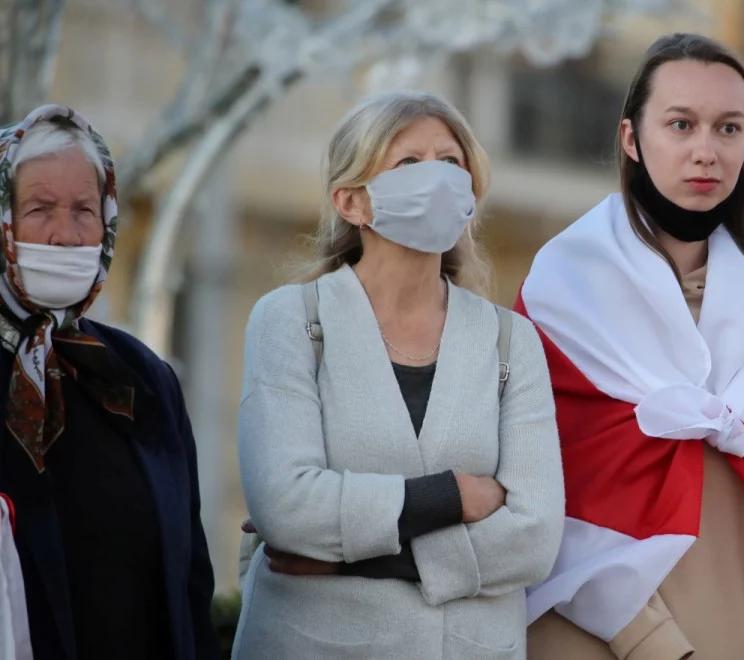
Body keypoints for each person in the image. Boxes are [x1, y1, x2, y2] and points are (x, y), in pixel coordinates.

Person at [521, 33, 744, 660]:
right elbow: (545, 519)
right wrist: (657, 646)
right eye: (680, 124)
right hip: (594, 642)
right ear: (630, 138)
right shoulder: (560, 311)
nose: (706, 151)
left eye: (728, 128)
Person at [232, 91, 564, 659]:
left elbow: (534, 537)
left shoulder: (511, 341)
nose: (436, 178)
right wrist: (451, 496)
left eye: (451, 162)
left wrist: (350, 557)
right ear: (352, 202)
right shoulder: (289, 320)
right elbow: (285, 505)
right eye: (409, 163)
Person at [0, 105, 218, 659]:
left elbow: (190, 576)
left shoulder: (140, 376)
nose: (65, 234)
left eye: (84, 210)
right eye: (39, 208)